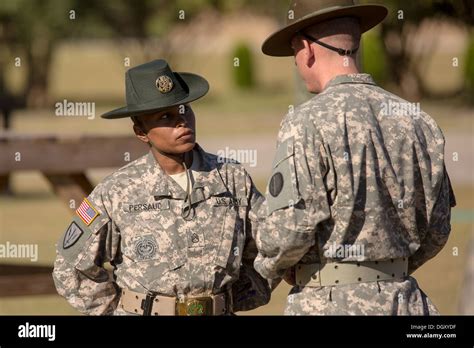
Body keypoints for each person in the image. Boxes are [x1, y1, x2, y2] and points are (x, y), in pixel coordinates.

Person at [254, 0, 456, 315]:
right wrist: (388, 269)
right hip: (406, 304)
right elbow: (438, 230)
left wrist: (271, 267)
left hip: (329, 304)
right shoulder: (419, 120)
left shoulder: (306, 122)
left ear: (307, 49)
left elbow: (289, 231)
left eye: (293, 52)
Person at [53, 59, 270, 315]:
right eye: (165, 116)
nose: (181, 122)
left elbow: (270, 246)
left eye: (184, 110)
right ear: (141, 132)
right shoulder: (117, 190)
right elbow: (70, 267)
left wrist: (233, 300)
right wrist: (116, 311)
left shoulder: (231, 178)